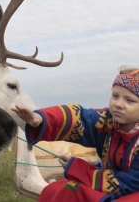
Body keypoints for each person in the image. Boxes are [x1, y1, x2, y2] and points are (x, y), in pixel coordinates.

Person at [12, 66, 139, 202]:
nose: (118, 104)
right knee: (60, 189)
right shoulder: (107, 120)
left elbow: (128, 185)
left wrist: (79, 169)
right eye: (115, 96)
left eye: (129, 100)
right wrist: (42, 120)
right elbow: (79, 118)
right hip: (113, 181)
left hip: (131, 189)